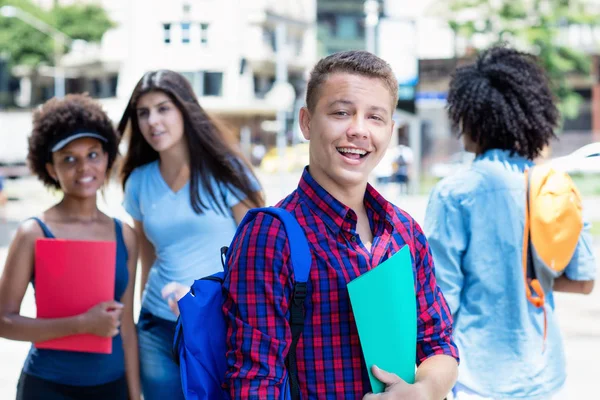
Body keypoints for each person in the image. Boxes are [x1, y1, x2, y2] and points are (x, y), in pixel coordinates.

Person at [222, 50, 459, 399]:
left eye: (375, 118)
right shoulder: (271, 235)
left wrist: (422, 391)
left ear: (390, 131)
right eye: (341, 113)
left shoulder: (404, 230)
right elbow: (255, 382)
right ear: (306, 122)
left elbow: (437, 344)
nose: (358, 130)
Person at [424, 46, 596, 400]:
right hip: (544, 373)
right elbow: (583, 282)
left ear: (470, 118)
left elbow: (442, 300)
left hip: (476, 378)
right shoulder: (552, 186)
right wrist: (528, 276)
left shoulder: (454, 193)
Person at [118, 70, 264, 400]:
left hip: (217, 323)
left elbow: (257, 254)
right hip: (157, 327)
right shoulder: (138, 182)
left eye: (163, 108)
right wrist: (140, 318)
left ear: (185, 110)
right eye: (143, 112)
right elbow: (147, 255)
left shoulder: (227, 171)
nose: (153, 121)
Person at [0, 94, 141, 400]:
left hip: (112, 387)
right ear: (51, 169)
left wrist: (133, 394)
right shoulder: (33, 232)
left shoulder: (125, 235)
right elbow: (4, 321)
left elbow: (126, 325)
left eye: (93, 154)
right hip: (48, 387)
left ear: (107, 158)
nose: (83, 167)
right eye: (69, 158)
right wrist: (82, 324)